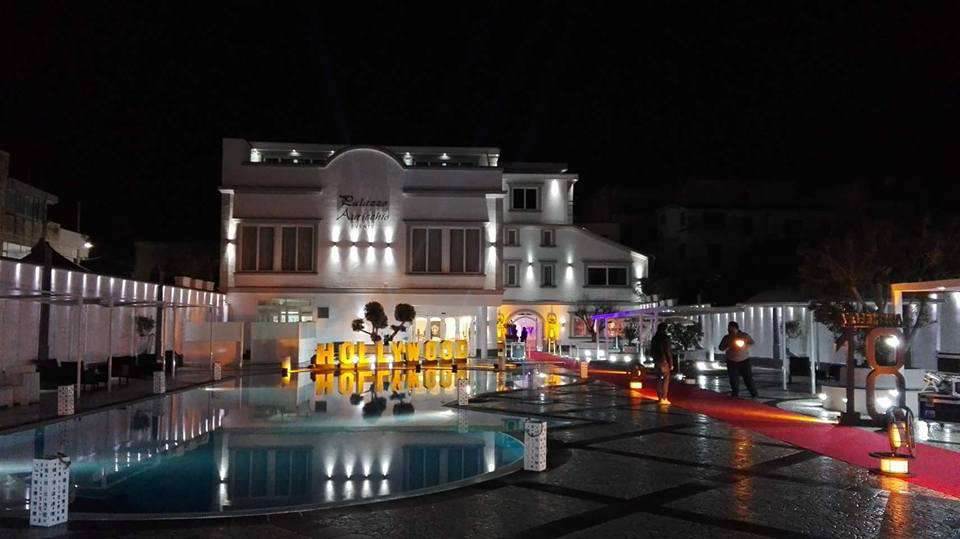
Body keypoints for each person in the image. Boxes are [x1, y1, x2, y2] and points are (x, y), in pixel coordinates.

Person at [719, 321, 757, 398]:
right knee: (733, 379)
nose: (729, 329)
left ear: (735, 328)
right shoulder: (726, 337)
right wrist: (728, 347)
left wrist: (745, 346)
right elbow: (721, 347)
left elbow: (752, 343)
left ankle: (754, 393)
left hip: (744, 360)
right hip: (731, 361)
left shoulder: (744, 335)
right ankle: (735, 394)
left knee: (748, 378)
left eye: (730, 328)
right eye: (728, 328)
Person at [649, 323, 673, 404]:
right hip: (664, 361)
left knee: (659, 379)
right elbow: (668, 351)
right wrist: (671, 363)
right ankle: (664, 398)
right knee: (666, 379)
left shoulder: (655, 338)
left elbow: (651, 351)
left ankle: (659, 397)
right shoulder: (665, 338)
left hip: (657, 361)